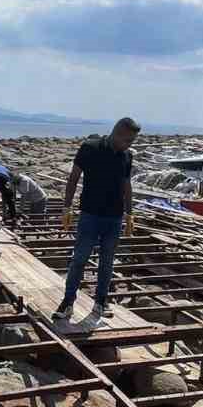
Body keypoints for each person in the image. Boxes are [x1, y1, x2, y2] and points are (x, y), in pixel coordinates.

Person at [53, 117, 140, 324]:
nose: (130, 145)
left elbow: (126, 184)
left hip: (114, 218)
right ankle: (67, 302)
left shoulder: (126, 155)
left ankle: (101, 301)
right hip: (90, 216)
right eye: (128, 140)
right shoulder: (90, 148)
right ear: (117, 133)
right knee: (79, 260)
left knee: (107, 263)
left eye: (132, 141)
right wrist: (67, 207)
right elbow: (73, 177)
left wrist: (129, 213)